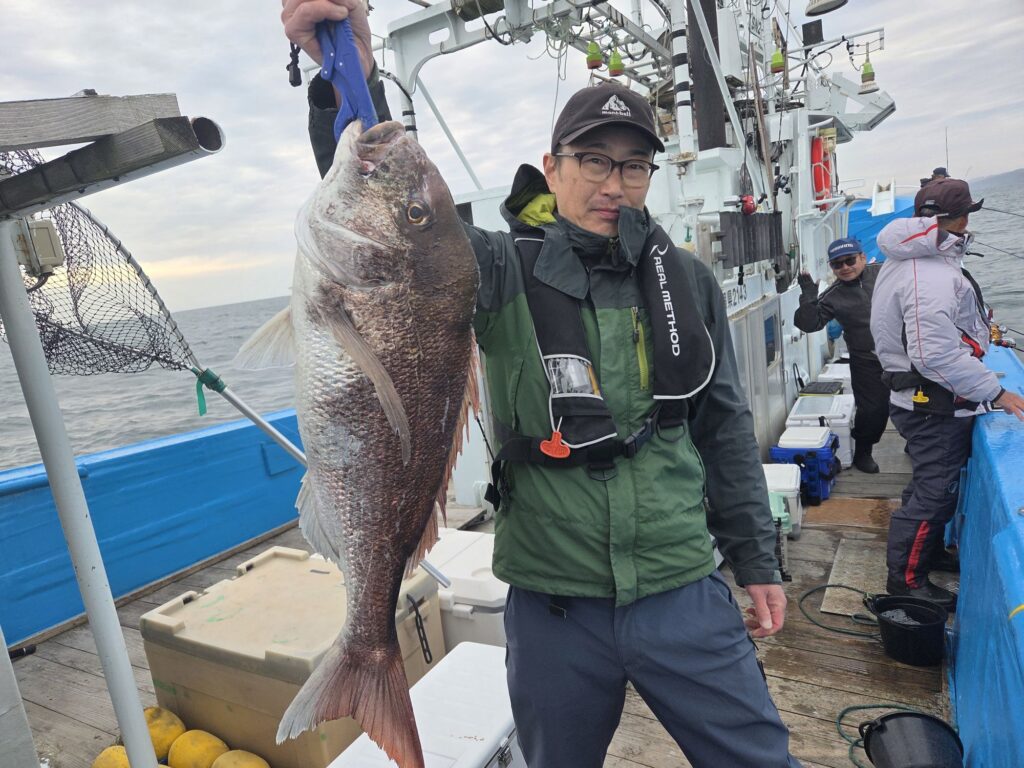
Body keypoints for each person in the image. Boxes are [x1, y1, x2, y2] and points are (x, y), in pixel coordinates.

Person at [283, 2, 801, 766]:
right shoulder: (499, 267)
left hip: (681, 584)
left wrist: (754, 561)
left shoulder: (688, 281)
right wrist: (347, 81)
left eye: (633, 165)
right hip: (554, 607)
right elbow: (396, 233)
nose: (613, 183)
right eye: (593, 160)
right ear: (552, 167)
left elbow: (723, 428)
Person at [870, 177, 1024, 610]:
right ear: (960, 219)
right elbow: (933, 355)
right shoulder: (928, 271)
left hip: (922, 400)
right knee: (934, 494)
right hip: (932, 405)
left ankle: (930, 551)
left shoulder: (910, 256)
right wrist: (997, 392)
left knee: (930, 486)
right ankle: (906, 582)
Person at [794, 238, 888, 473]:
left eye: (850, 260)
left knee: (915, 404)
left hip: (903, 355)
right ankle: (863, 451)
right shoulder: (832, 295)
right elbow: (809, 324)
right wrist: (808, 297)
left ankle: (916, 443)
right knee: (872, 411)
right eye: (837, 264)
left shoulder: (885, 272)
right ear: (832, 268)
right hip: (866, 359)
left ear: (862, 257)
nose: (845, 267)